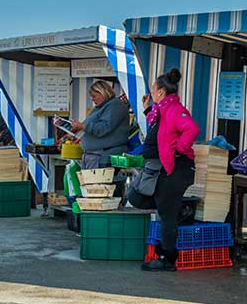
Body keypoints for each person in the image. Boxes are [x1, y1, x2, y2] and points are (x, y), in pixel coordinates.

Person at [128, 69, 200, 271]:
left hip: (176, 169)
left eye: (153, 88)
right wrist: (146, 109)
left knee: (166, 215)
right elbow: (157, 125)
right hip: (161, 168)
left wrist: (178, 149)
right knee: (136, 197)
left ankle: (167, 260)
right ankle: (181, 210)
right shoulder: (162, 110)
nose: (150, 92)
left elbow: (192, 129)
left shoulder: (175, 110)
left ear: (160, 91)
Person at [71, 80, 131, 169]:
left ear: (103, 93)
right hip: (93, 155)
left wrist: (83, 126)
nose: (91, 98)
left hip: (103, 156)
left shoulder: (115, 105)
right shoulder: (100, 108)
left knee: (97, 183)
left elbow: (104, 128)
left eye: (94, 96)